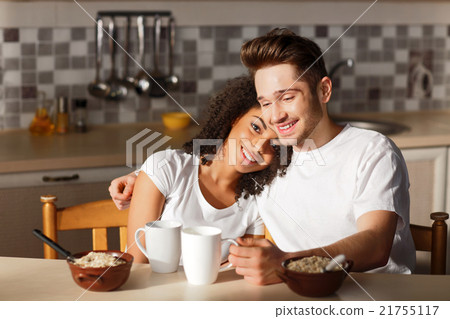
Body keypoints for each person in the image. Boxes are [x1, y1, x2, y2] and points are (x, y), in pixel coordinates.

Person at [110, 29, 415, 284]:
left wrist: (286, 262)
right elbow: (213, 172)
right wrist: (145, 178)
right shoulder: (274, 165)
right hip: (301, 296)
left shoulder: (373, 151)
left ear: (323, 91)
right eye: (265, 102)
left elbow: (376, 244)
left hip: (379, 295)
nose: (276, 115)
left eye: (288, 97)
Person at [125, 76, 291, 263]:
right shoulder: (167, 168)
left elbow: (245, 271)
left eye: (275, 145)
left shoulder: (256, 203)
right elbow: (137, 266)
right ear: (235, 118)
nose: (259, 147)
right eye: (255, 127)